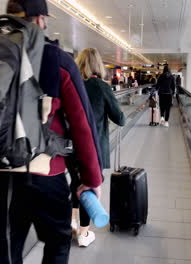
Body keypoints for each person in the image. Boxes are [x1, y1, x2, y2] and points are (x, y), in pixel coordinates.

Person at [0, 1, 103, 263]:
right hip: (42, 172)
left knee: (5, 250)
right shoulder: (56, 59)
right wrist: (92, 178)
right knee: (57, 242)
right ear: (40, 19)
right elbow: (82, 124)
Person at [71, 48, 126, 247]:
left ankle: (72, 222)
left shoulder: (72, 84)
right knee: (89, 187)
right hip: (93, 147)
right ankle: (83, 234)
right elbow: (119, 118)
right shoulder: (101, 86)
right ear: (98, 65)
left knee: (75, 185)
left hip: (70, 147)